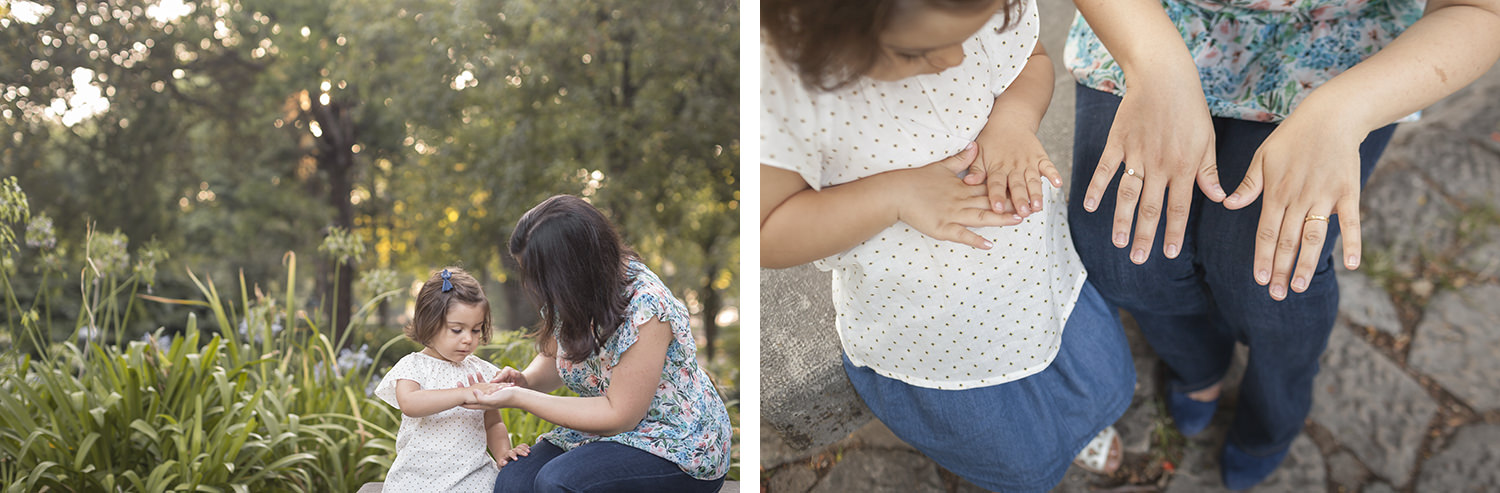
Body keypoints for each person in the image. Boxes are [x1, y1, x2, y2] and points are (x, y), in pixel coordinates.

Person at [1064, 0, 1500, 488]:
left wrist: (1344, 112)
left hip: (1342, 48)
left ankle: (1276, 412)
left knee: (1267, 275)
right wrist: (1156, 67)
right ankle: (1198, 368)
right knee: (1122, 252)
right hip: (1156, 20)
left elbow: (1480, 10)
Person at [760, 0, 1135, 490]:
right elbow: (768, 231)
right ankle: (1031, 453)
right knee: (1005, 440)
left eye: (969, 35)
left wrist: (1013, 121)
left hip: (1036, 277)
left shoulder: (974, 9)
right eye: (917, 52)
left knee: (1070, 368)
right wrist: (893, 195)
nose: (957, 59)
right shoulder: (789, 95)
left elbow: (1030, 61)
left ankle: (1076, 426)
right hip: (931, 331)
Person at [470, 195, 731, 492]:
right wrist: (523, 381)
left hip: (674, 443)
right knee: (514, 482)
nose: (531, 285)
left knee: (557, 483)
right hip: (605, 433)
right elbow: (560, 356)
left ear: (572, 269)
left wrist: (518, 398)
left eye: (537, 276)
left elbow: (618, 416)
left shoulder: (646, 307)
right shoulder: (573, 293)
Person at [374, 267, 531, 492]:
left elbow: (493, 422)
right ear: (429, 324)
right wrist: (462, 393)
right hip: (417, 479)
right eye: (457, 330)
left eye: (476, 330)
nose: (468, 339)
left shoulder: (481, 371)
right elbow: (410, 404)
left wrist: (503, 453)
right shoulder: (414, 366)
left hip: (472, 476)